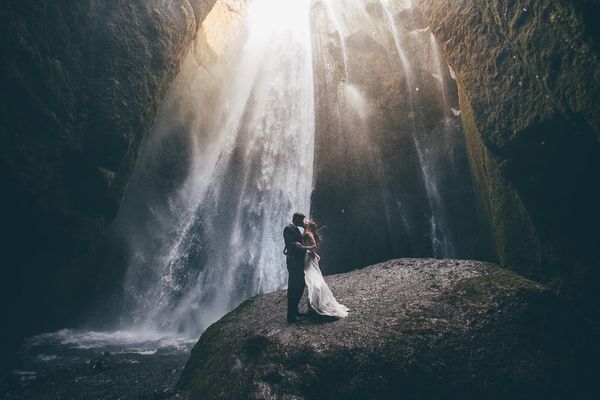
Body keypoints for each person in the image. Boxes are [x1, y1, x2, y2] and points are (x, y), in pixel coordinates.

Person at [302, 220, 349, 318]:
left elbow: (313, 246)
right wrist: (314, 253)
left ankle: (313, 307)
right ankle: (312, 307)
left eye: (306, 221)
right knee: (312, 282)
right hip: (310, 257)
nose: (304, 222)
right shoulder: (308, 233)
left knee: (312, 282)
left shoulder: (308, 234)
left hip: (309, 259)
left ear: (309, 225)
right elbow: (312, 248)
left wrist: (303, 247)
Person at [283, 212, 308, 323]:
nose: (302, 222)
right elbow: (289, 243)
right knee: (294, 287)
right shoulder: (288, 228)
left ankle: (295, 311)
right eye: (301, 220)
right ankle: (291, 316)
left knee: (300, 285)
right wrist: (296, 244)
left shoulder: (296, 229)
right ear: (296, 219)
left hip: (298, 261)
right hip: (293, 262)